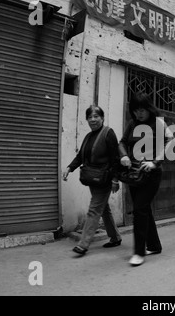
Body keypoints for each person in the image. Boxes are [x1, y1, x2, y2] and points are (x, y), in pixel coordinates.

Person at [119, 92, 174, 267]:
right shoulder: (132, 124)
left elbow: (171, 141)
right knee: (144, 210)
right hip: (134, 174)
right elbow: (122, 143)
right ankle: (154, 246)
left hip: (152, 174)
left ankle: (139, 252)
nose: (139, 114)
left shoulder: (159, 123)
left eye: (142, 110)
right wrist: (124, 156)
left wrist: (155, 161)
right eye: (135, 111)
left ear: (149, 108)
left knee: (139, 209)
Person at [62, 105, 122, 256]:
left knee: (94, 209)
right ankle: (115, 237)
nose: (93, 119)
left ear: (102, 118)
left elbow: (116, 158)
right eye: (90, 117)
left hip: (105, 179)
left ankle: (83, 244)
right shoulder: (89, 136)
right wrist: (70, 168)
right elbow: (81, 156)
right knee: (104, 209)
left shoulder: (108, 133)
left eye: (96, 116)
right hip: (93, 178)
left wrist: (115, 179)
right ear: (87, 120)